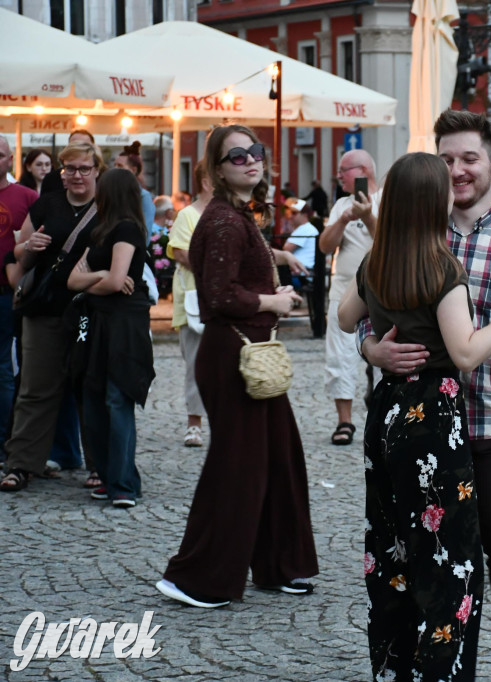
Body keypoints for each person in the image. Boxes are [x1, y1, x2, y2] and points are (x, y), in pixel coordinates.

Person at [357, 109, 491, 681]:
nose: (457, 170)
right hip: (420, 429)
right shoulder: (414, 231)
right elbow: (363, 321)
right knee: (417, 550)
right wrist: (373, 352)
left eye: (469, 158)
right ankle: (419, 658)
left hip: (485, 420)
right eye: (446, 159)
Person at [157, 124, 318, 608]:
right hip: (233, 356)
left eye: (256, 151)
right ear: (217, 169)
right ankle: (196, 578)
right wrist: (273, 300)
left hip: (250, 353)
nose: (251, 160)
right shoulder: (225, 220)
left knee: (279, 458)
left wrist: (271, 290)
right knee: (238, 468)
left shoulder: (239, 214)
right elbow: (220, 295)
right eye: (237, 156)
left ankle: (278, 565)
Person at [1, 142, 104, 493]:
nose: (77, 175)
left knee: (90, 386)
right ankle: (21, 464)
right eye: (69, 168)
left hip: (90, 311)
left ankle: (100, 465)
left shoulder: (107, 207)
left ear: (97, 170)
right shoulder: (47, 204)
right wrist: (29, 247)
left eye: (84, 168)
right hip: (44, 309)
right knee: (35, 388)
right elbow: (18, 252)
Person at [66, 168, 154, 508]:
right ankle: (110, 476)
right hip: (99, 321)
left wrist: (98, 280)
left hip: (123, 324)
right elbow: (73, 281)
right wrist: (101, 275)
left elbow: (118, 283)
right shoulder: (100, 231)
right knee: (94, 397)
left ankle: (123, 484)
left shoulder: (127, 229)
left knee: (118, 399)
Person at [319, 149, 380, 447]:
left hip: (382, 294)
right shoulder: (342, 204)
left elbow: (388, 241)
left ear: (363, 171)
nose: (338, 175)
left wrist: (367, 216)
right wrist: (343, 219)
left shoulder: (386, 199)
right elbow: (325, 246)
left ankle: (382, 419)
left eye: (343, 170)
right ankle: (344, 421)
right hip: (343, 292)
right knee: (339, 358)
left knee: (383, 360)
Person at [167, 162, 213, 448]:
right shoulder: (188, 215)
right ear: (206, 181)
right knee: (196, 364)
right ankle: (194, 423)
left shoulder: (230, 212)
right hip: (195, 299)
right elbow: (182, 253)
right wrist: (220, 267)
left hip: (223, 299)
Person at [0, 138, 37, 456]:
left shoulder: (27, 197)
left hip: (8, 293)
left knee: (6, 368)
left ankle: (4, 441)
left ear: (10, 159)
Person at [114, 142, 155, 232]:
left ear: (133, 170)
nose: (115, 169)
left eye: (120, 166)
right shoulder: (111, 193)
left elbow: (145, 231)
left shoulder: (143, 196)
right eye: (115, 165)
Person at [282, 198, 318, 279]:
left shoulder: (305, 229)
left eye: (294, 213)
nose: (290, 216)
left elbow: (286, 249)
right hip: (302, 273)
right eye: (290, 212)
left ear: (304, 215)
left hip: (300, 275)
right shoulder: (306, 228)